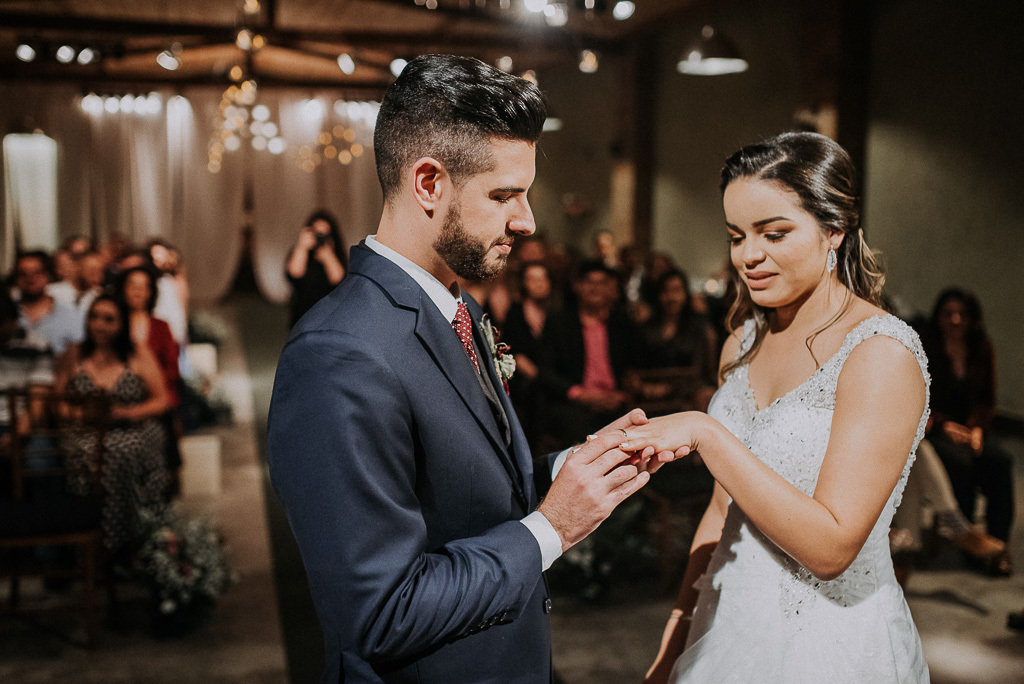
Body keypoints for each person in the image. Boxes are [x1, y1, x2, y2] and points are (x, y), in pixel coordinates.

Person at [267, 54, 652, 683]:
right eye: (504, 195)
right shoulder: (338, 354)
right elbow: (379, 612)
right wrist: (551, 530)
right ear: (428, 183)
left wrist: (576, 469)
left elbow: (468, 494)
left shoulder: (456, 306)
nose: (526, 221)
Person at [624, 132, 930, 683]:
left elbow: (833, 547)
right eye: (736, 236)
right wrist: (673, 643)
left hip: (833, 643)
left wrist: (706, 432)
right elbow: (721, 513)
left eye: (774, 233)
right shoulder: (742, 341)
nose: (748, 256)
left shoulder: (879, 354)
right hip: (727, 623)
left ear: (834, 229)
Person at [54, 295, 170, 553]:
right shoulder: (74, 354)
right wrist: (81, 415)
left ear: (121, 324)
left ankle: (130, 538)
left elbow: (161, 400)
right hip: (86, 430)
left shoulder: (137, 353)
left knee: (124, 451)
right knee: (91, 453)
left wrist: (125, 413)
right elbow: (58, 401)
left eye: (109, 319)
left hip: (132, 426)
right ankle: (94, 541)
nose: (100, 325)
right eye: (94, 317)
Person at [922, 288, 1014, 575]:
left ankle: (998, 543)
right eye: (948, 314)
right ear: (938, 317)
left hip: (970, 428)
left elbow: (986, 400)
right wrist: (944, 425)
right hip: (936, 428)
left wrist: (975, 430)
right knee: (960, 464)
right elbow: (919, 397)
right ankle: (966, 535)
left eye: (961, 314)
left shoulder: (980, 347)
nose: (955, 320)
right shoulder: (928, 347)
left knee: (1000, 462)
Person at [538, 260, 640, 446]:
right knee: (578, 429)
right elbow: (545, 371)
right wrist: (581, 394)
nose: (595, 288)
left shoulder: (622, 324)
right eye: (589, 282)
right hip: (574, 403)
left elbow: (635, 364)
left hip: (616, 400)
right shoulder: (559, 323)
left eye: (602, 283)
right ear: (577, 286)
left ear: (611, 288)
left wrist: (625, 391)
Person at [117, 265, 182, 495]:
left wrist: (147, 385)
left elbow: (173, 369)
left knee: (160, 419)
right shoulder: (115, 325)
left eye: (142, 287)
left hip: (156, 396)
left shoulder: (160, 327)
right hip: (120, 396)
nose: (137, 292)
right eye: (132, 286)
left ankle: (161, 488)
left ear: (150, 292)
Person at [11, 251, 84, 357]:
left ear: (47, 275)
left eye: (36, 273)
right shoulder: (7, 315)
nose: (30, 279)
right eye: (23, 274)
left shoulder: (71, 317)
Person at [284, 209, 347, 327]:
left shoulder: (337, 255)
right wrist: (302, 246)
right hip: (302, 318)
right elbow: (294, 273)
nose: (320, 238)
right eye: (316, 233)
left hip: (330, 319)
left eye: (324, 235)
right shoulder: (300, 253)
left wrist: (328, 256)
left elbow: (339, 280)